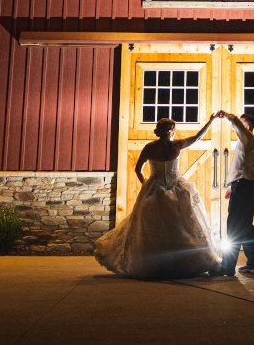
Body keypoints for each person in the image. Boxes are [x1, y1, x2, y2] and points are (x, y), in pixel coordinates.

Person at [93, 112, 222, 280]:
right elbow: (138, 168)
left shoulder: (177, 145)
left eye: (171, 129)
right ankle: (154, 263)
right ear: (164, 131)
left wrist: (211, 121)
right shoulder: (150, 148)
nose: (171, 132)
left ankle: (182, 260)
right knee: (152, 226)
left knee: (180, 223)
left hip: (176, 186)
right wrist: (146, 183)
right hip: (155, 188)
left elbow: (197, 137)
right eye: (169, 129)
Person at [216, 109, 254, 276]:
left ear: (247, 127)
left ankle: (227, 266)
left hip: (243, 186)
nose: (237, 128)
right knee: (246, 226)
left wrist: (226, 115)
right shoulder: (246, 143)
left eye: (241, 125)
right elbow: (243, 167)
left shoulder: (248, 138)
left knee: (233, 225)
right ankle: (253, 263)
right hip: (244, 185)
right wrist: (231, 186)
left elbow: (235, 122)